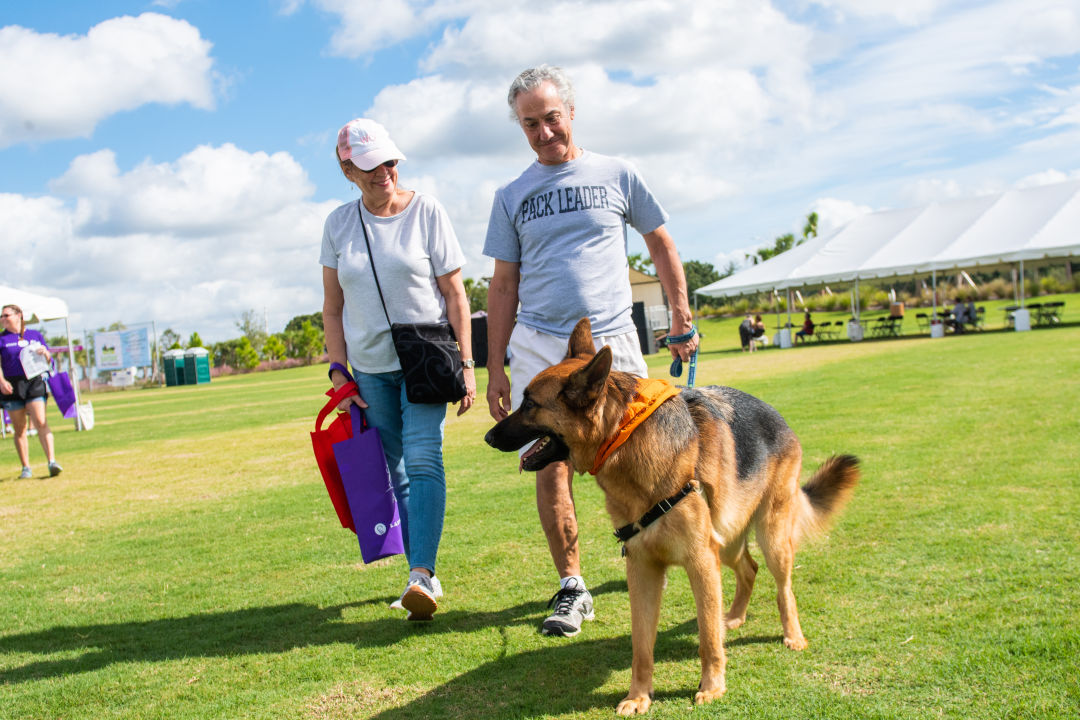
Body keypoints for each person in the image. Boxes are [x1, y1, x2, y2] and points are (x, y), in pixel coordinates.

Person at [484, 65, 700, 638]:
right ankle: (572, 585)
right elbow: (502, 284)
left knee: (643, 457)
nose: (543, 131)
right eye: (530, 124)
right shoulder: (510, 196)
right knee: (552, 459)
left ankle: (646, 552)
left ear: (571, 113)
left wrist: (680, 314)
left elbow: (660, 241)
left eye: (551, 117)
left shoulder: (617, 173)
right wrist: (495, 366)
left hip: (611, 342)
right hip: (538, 341)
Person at [320, 118, 477, 622]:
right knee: (398, 472)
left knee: (424, 458)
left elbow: (455, 294)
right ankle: (420, 571)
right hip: (368, 373)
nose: (384, 172)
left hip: (426, 362)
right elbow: (331, 307)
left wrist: (468, 364)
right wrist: (339, 374)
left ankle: (422, 575)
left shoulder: (427, 210)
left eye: (389, 161)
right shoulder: (337, 224)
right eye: (369, 166)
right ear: (347, 169)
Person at [0, 304, 62, 479]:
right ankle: (26, 467)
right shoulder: (2, 339)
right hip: (12, 386)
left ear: (19, 315)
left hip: (34, 382)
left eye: (6, 315)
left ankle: (51, 462)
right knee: (19, 428)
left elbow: (48, 359)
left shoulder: (34, 335)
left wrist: (45, 353)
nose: (2, 319)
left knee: (41, 421)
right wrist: (2, 381)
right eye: (1, 316)